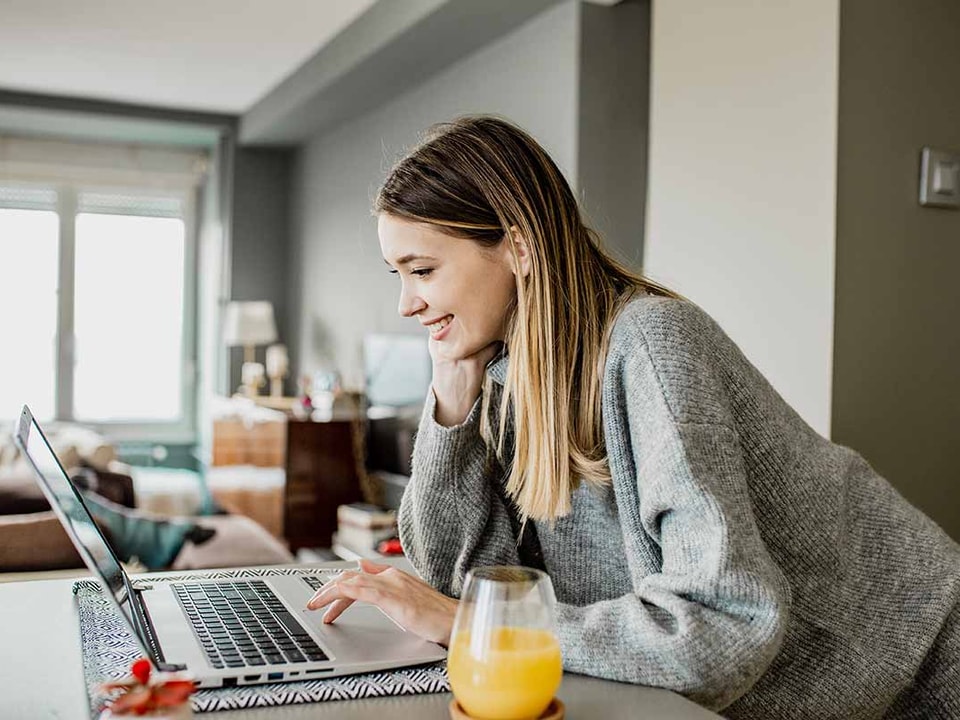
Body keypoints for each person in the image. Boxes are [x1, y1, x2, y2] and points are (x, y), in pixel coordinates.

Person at [305, 116, 960, 718]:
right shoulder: (505, 371)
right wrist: (452, 399)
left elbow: (722, 626)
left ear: (520, 246)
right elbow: (467, 588)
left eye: (421, 269)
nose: (404, 304)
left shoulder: (651, 347)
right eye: (397, 272)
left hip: (917, 673)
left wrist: (466, 622)